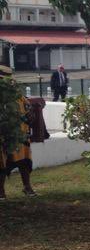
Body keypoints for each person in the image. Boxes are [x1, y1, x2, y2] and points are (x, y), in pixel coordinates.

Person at [1, 65, 37, 198]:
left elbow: (29, 111)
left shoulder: (18, 96)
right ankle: (1, 192)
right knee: (2, 162)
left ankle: (27, 187)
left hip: (20, 135)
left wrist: (30, 114)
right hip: (3, 135)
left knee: (24, 161)